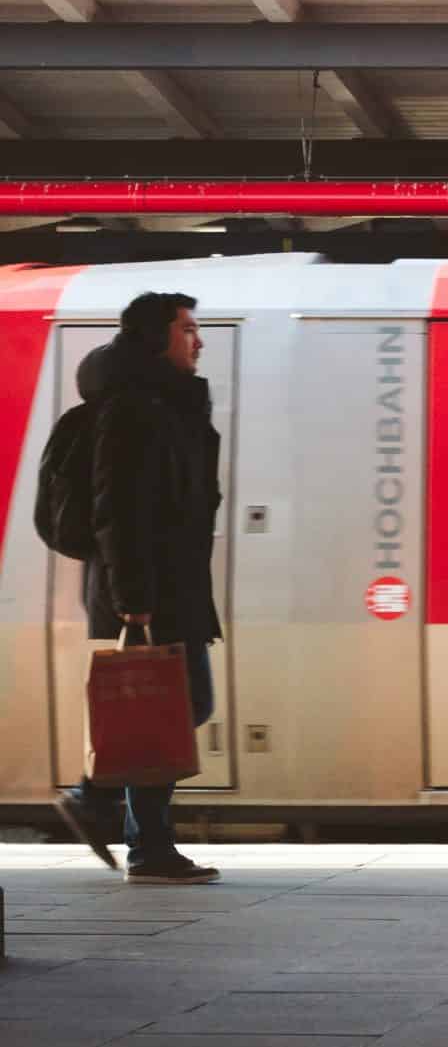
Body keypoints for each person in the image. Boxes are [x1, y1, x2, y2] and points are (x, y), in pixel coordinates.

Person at [51, 292, 224, 885]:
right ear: (155, 339)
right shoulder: (132, 410)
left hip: (171, 585)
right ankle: (110, 812)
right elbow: (115, 512)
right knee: (184, 706)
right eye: (187, 330)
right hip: (151, 591)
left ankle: (140, 838)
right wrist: (132, 598)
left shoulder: (167, 404)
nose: (197, 341)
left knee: (175, 709)